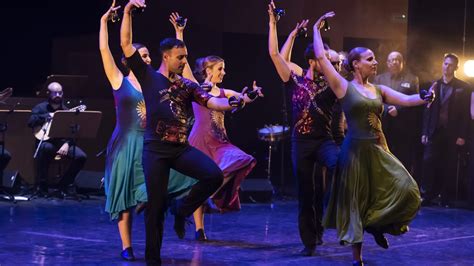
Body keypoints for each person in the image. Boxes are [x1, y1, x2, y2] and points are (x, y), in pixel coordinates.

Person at [120, 1, 257, 264]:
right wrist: (127, 11)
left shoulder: (187, 86)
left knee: (213, 175)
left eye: (185, 57)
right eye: (180, 58)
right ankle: (153, 260)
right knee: (155, 209)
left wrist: (235, 101)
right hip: (155, 151)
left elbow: (213, 102)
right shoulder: (149, 77)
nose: (184, 61)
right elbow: (126, 45)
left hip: (180, 149)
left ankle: (182, 209)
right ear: (166, 57)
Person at [313, 12, 434, 265]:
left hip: (379, 150)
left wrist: (425, 97)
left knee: (407, 189)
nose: (375, 62)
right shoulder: (343, 87)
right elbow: (322, 59)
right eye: (370, 59)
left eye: (375, 58)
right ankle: (357, 257)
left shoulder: (378, 90)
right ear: (356, 64)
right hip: (354, 153)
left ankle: (377, 226)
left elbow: (408, 100)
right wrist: (316, 28)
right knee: (356, 202)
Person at [99, 2, 196, 261]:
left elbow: (180, 66)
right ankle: (126, 246)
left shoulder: (156, 82)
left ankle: (169, 210)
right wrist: (103, 22)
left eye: (148, 56)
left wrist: (179, 34)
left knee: (156, 194)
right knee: (125, 199)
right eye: (142, 56)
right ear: (130, 61)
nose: (147, 58)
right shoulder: (119, 79)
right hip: (125, 145)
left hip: (150, 144)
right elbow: (105, 49)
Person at [169, 12, 260, 241]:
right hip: (199, 140)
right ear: (209, 71)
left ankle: (214, 192)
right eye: (220, 69)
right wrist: (179, 33)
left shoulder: (223, 92)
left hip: (220, 142)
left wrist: (251, 95)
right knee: (196, 183)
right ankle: (200, 230)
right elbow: (185, 63)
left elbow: (241, 97)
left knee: (243, 159)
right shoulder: (196, 88)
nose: (224, 72)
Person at [267, 1, 343, 256]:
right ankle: (309, 241)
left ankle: (336, 221)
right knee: (306, 193)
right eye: (326, 60)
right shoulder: (295, 80)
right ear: (313, 61)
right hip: (300, 143)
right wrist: (278, 26)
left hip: (324, 141)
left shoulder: (332, 84)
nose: (331, 65)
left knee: (340, 169)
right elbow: (277, 56)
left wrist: (317, 30)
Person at [420, 53, 471, 206]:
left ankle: (446, 197)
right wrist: (424, 132)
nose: (447, 67)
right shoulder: (434, 84)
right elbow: (427, 110)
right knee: (428, 161)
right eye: (445, 63)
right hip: (434, 130)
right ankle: (427, 195)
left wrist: (462, 135)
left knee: (449, 164)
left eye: (450, 64)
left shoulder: (464, 87)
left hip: (452, 131)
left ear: (456, 67)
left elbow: (465, 114)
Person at [27, 81, 87, 198]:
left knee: (81, 156)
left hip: (61, 143)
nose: (58, 95)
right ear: (48, 93)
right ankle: (42, 185)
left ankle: (63, 184)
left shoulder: (66, 110)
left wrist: (67, 144)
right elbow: (30, 122)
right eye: (55, 93)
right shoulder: (40, 108)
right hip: (46, 141)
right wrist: (46, 116)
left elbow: (74, 131)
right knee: (44, 148)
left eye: (60, 93)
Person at [374, 51, 421, 174]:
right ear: (387, 63)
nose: (394, 62)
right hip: (383, 124)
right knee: (383, 155)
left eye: (397, 60)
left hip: (403, 126)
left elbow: (414, 101)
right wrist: (386, 108)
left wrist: (398, 110)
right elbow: (374, 98)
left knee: (402, 157)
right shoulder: (379, 78)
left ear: (402, 63)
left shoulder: (412, 79)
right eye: (391, 60)